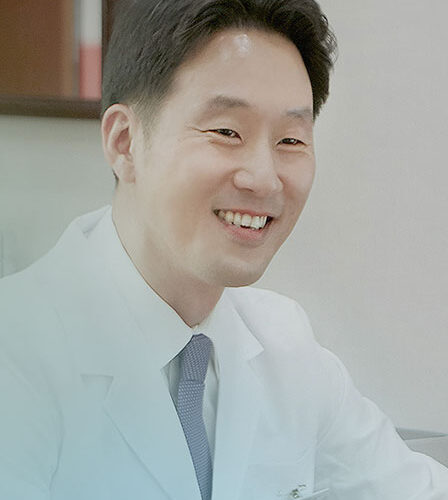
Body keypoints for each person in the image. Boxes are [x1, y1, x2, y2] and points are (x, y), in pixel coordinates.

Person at [0, 0, 447, 499]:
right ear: (125, 142)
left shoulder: (285, 346)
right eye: (226, 132)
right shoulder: (16, 354)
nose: (264, 178)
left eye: (291, 140)